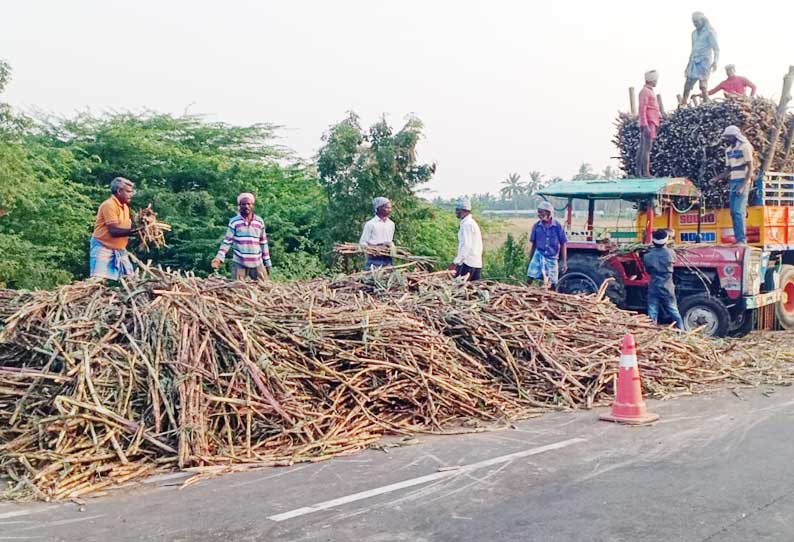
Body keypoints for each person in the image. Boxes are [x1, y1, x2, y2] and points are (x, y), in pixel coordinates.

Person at [708, 126, 754, 244]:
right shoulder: (728, 150)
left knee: (738, 211)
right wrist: (716, 178)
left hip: (742, 181)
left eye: (728, 137)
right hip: (733, 182)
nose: (726, 139)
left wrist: (743, 185)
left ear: (734, 136)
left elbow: (750, 167)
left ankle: (741, 240)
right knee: (733, 212)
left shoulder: (745, 147)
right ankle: (738, 238)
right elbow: (728, 169)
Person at [211, 192, 272, 280]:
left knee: (265, 287)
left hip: (257, 261)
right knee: (237, 289)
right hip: (240, 261)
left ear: (252, 205)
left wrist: (267, 262)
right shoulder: (234, 222)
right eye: (243, 204)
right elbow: (227, 241)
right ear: (239, 206)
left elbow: (263, 243)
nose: (246, 206)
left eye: (248, 204)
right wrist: (219, 257)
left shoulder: (259, 222)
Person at [89, 177, 138, 281]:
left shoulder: (125, 207)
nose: (131, 194)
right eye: (128, 191)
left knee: (130, 279)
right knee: (97, 281)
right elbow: (114, 231)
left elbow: (124, 229)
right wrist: (135, 232)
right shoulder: (109, 205)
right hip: (103, 246)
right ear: (119, 191)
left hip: (119, 249)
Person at [642, 229, 684, 329]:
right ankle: (682, 331)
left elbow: (648, 271)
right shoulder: (671, 253)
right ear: (666, 240)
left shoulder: (647, 256)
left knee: (652, 312)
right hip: (668, 287)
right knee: (673, 310)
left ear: (653, 241)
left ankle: (651, 332)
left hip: (654, 286)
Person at [527, 201, 568, 289]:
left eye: (541, 212)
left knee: (553, 282)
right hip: (539, 254)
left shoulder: (557, 226)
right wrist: (530, 259)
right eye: (538, 212)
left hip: (552, 256)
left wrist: (564, 262)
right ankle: (525, 290)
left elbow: (563, 244)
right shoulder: (537, 226)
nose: (539, 214)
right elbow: (533, 244)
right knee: (530, 276)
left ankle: (552, 295)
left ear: (548, 212)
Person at [682, 12, 719, 104]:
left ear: (702, 20)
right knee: (688, 83)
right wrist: (688, 64)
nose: (695, 24)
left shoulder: (709, 32)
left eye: (697, 21)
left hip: (704, 59)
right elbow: (693, 49)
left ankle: (706, 100)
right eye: (693, 22)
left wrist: (715, 61)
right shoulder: (693, 33)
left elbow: (716, 48)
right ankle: (683, 102)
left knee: (703, 83)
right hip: (694, 60)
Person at [448, 197, 483, 281]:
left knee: (459, 288)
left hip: (468, 263)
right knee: (473, 289)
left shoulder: (467, 224)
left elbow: (466, 245)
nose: (456, 212)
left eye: (457, 210)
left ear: (462, 210)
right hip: (476, 263)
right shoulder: (472, 223)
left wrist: (456, 262)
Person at [359, 197, 395, 270]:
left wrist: (390, 245)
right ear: (379, 208)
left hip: (387, 257)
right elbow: (363, 243)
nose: (389, 210)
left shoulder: (391, 224)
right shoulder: (370, 224)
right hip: (374, 257)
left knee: (387, 278)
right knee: (372, 278)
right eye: (387, 208)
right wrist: (373, 249)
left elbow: (390, 240)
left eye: (390, 208)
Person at [637, 70, 661, 178]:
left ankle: (640, 172)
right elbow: (642, 109)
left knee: (643, 148)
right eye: (655, 80)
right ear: (651, 80)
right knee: (646, 148)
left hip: (652, 121)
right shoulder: (645, 92)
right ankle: (645, 173)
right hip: (648, 122)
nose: (656, 82)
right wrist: (645, 124)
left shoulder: (650, 91)